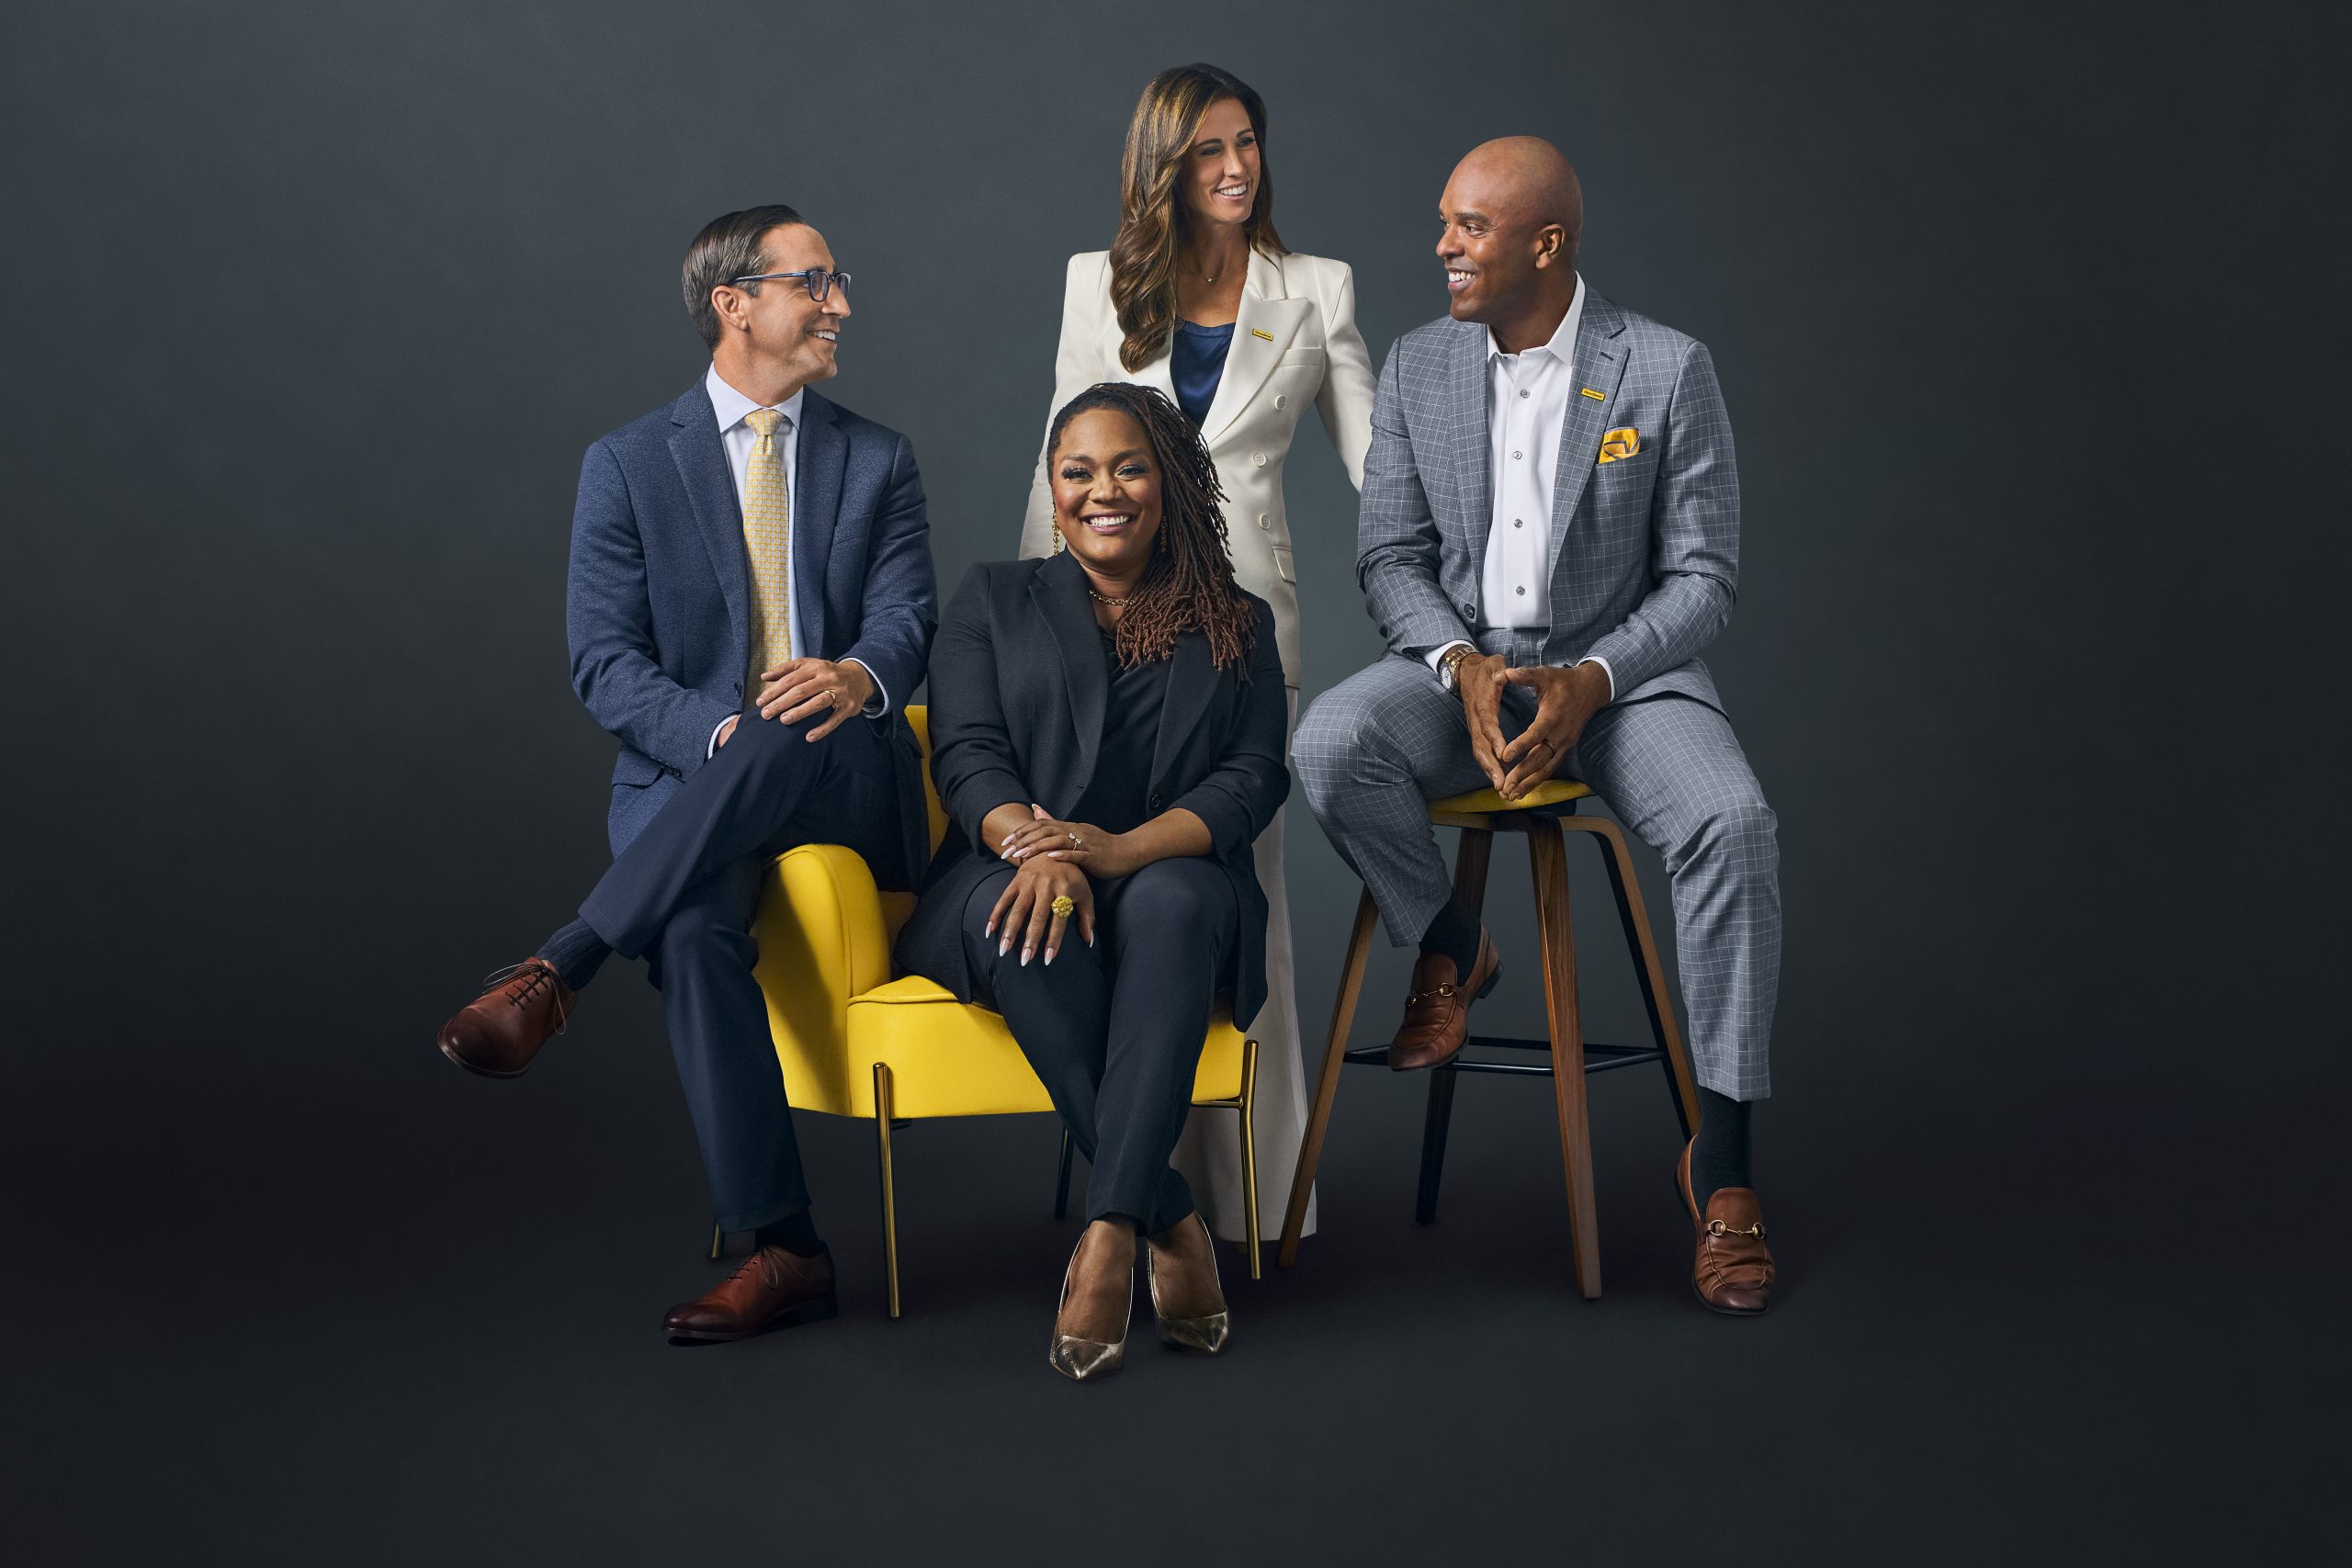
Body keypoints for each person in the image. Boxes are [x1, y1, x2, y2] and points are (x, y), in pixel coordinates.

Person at [1293, 139, 1781, 1314]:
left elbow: (1705, 579)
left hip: (1624, 684)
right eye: (1446, 224)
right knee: (1328, 744)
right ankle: (1456, 939)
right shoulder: (1417, 368)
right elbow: (1390, 559)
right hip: (1460, 675)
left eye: (1468, 228)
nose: (1443, 247)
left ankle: (1722, 1168)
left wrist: (1595, 677)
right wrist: (1457, 662)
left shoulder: (1664, 368)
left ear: (1545, 245)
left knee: (1736, 825)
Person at [435, 206, 937, 1342]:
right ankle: (787, 1250)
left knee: (792, 721)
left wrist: (854, 677)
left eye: (838, 283)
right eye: (817, 282)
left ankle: (561, 962)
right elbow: (604, 664)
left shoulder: (877, 458)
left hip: (848, 776)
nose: (840, 304)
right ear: (735, 302)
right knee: (696, 932)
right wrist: (723, 734)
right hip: (692, 781)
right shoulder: (624, 466)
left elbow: (908, 617)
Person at [1019, 62, 1374, 1247]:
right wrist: (1032, 642)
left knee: (1239, 892)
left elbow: (1382, 474)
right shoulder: (1095, 286)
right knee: (1121, 880)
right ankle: (1141, 1184)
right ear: (1163, 165)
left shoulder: (1314, 289)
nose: (1235, 168)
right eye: (1210, 149)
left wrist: (1452, 610)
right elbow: (1060, 466)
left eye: (1249, 145)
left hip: (1240, 632)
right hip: (1104, 629)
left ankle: (1259, 1200)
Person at [901, 383, 1289, 1380]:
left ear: (1168, 481)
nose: (1100, 490)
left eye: (1126, 466)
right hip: (1010, 870)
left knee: (1171, 902)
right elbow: (966, 754)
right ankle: (1162, 1214)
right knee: (1015, 919)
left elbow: (1251, 778)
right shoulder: (992, 598)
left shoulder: (1236, 621)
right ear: (1053, 486)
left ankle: (1105, 1232)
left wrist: (1111, 853)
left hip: (1166, 873)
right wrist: (1041, 852)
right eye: (1077, 471)